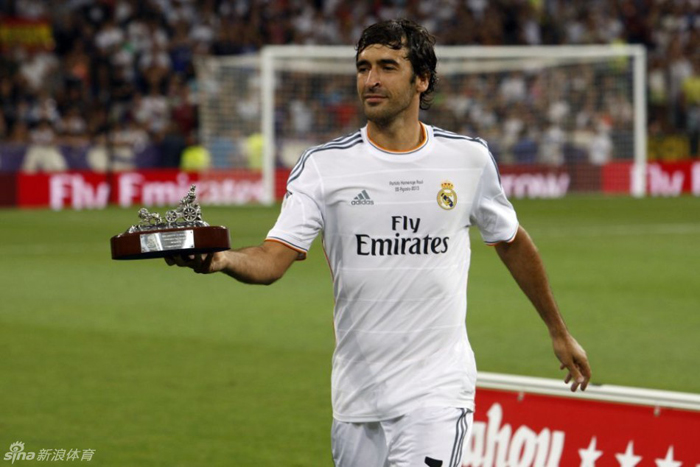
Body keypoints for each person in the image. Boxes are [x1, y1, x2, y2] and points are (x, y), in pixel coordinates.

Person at [165, 19, 591, 467]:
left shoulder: (467, 159)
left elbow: (510, 241)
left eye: (388, 66)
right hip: (357, 398)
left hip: (437, 394)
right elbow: (273, 259)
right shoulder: (323, 167)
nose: (371, 79)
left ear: (421, 80)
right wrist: (222, 259)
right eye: (363, 67)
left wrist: (558, 331)